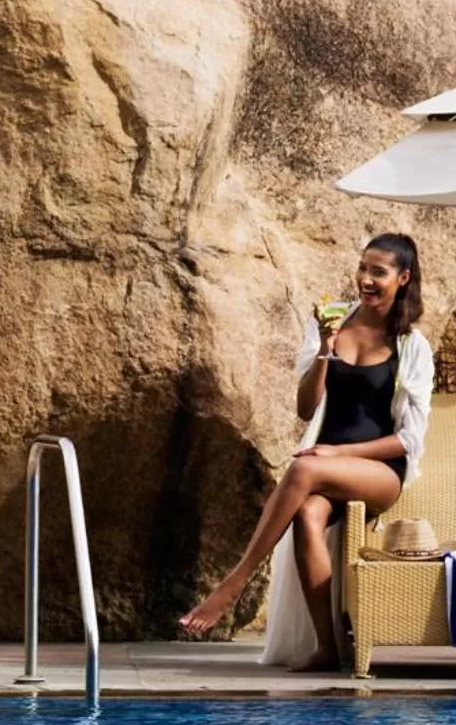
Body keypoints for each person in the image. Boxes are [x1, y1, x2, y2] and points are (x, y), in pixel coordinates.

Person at [179, 233, 435, 671]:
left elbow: (409, 439)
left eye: (378, 272)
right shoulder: (330, 323)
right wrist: (324, 349)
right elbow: (305, 408)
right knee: (307, 513)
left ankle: (233, 585)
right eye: (363, 268)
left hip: (380, 471)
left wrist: (338, 455)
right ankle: (328, 647)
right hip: (324, 465)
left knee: (302, 471)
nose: (366, 279)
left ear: (403, 279)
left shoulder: (412, 345)